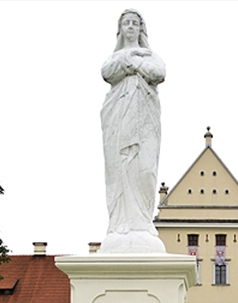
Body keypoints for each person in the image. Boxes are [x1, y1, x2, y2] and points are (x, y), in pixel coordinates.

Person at [99, 9, 166, 254]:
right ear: (121, 28)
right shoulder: (113, 57)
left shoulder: (151, 56)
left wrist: (133, 62)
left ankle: (142, 223)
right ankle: (120, 225)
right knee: (119, 169)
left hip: (145, 124)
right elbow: (107, 73)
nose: (130, 27)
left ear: (141, 28)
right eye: (126, 23)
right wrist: (132, 62)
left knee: (145, 170)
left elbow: (159, 74)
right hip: (118, 120)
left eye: (134, 23)